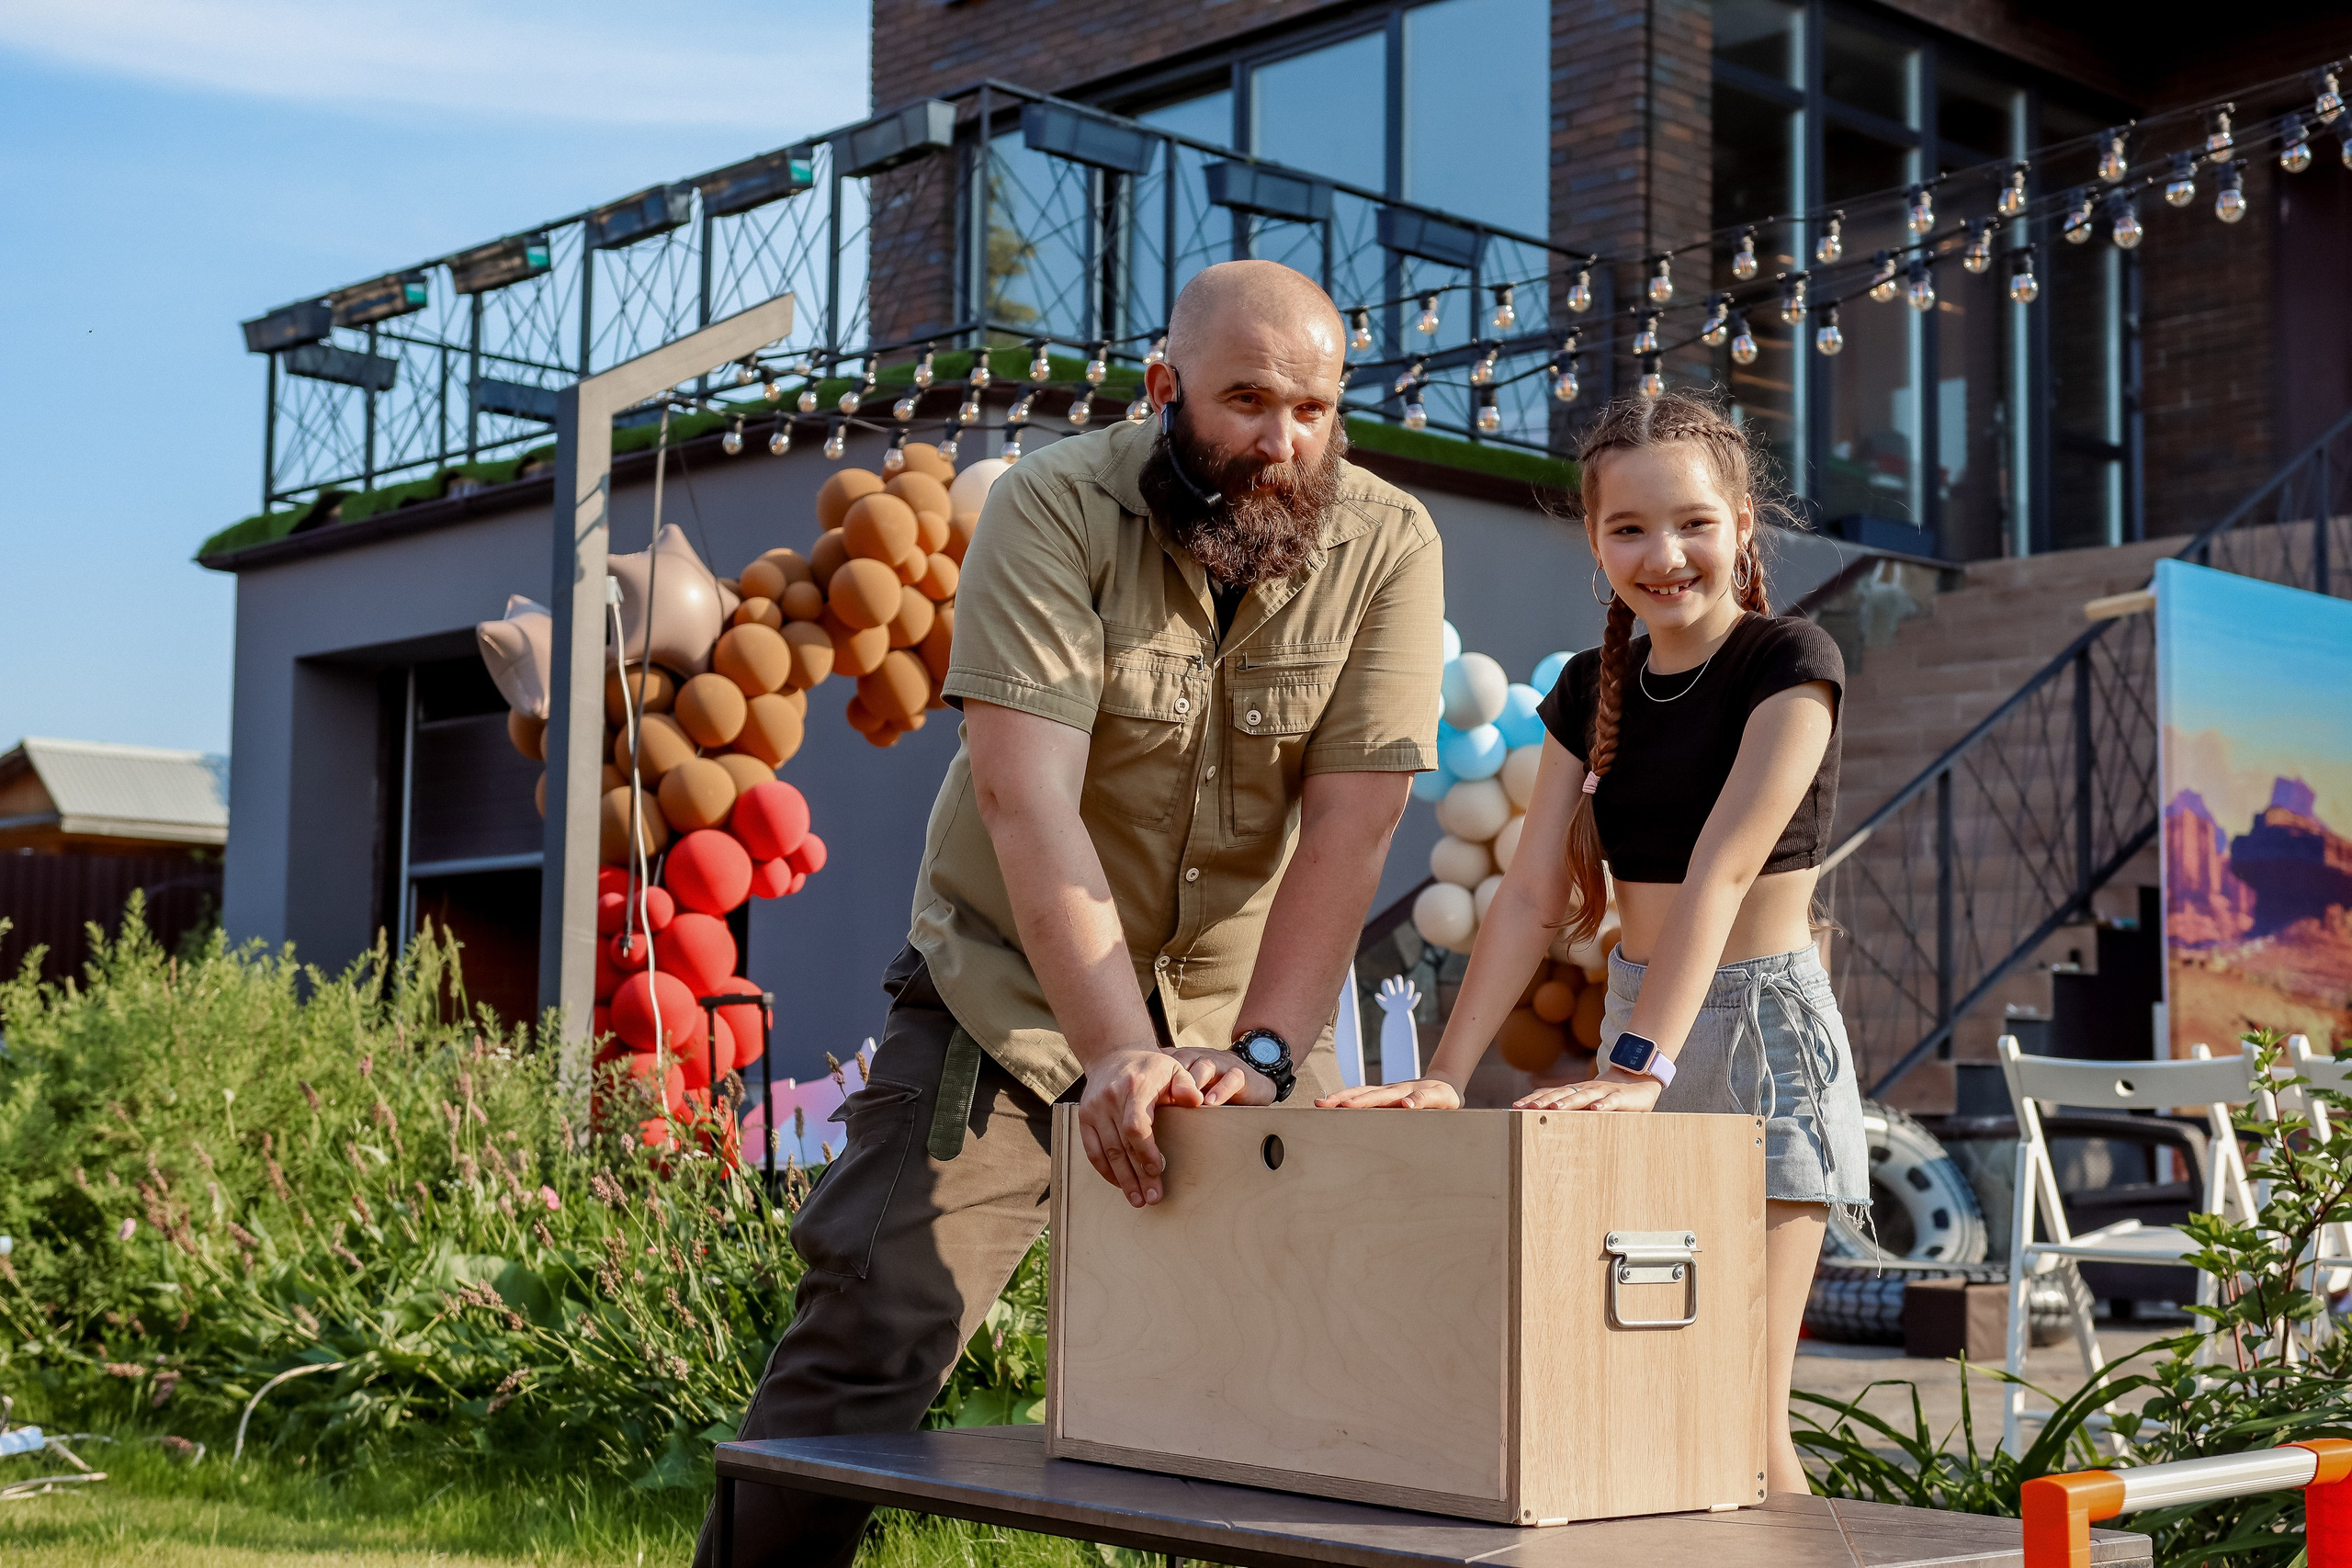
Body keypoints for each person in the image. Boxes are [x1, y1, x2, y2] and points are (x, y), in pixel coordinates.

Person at [699, 259, 1444, 1568]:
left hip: (1241, 1022)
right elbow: (1022, 793)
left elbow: (1354, 819)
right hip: (1007, 1001)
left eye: (1317, 407)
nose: (1285, 441)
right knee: (874, 1327)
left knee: (1317, 1376)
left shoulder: (1392, 542)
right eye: (1249, 399)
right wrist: (1111, 1051)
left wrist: (1264, 1051)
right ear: (1165, 390)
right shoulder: (1051, 504)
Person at [1319, 389, 1866, 1495]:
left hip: (1756, 1034)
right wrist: (1440, 1078)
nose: (1663, 554)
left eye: (1694, 523)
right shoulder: (1587, 687)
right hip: (1637, 1020)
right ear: (1593, 540)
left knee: (1742, 1424)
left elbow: (1723, 868)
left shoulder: (1789, 662)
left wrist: (1637, 1070)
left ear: (1744, 523)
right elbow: (1525, 898)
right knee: (1642, 1396)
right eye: (1629, 528)